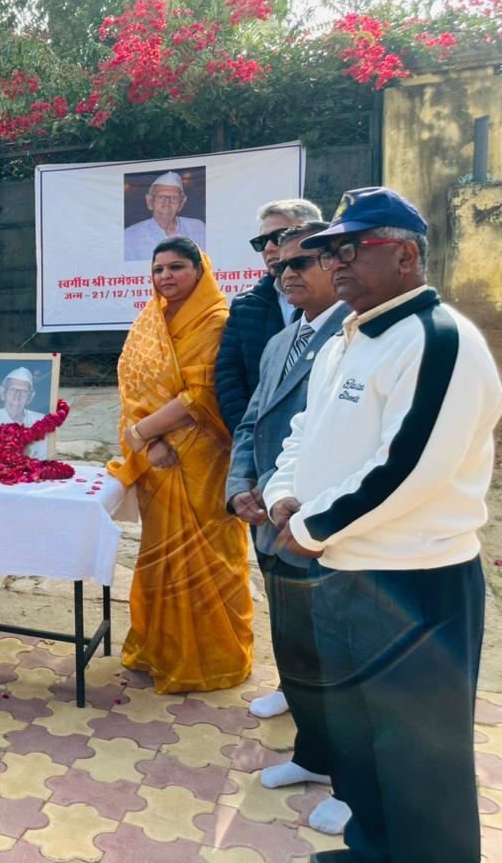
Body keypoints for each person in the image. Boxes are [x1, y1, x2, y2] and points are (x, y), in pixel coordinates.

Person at [263, 187, 501, 863]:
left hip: (414, 580)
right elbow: (304, 434)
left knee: (421, 756)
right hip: (344, 571)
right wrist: (284, 494)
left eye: (351, 248)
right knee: (360, 739)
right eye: (329, 250)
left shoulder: (438, 338)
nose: (335, 261)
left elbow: (411, 465)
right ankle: (371, 851)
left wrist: (312, 526)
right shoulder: (346, 339)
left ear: (405, 256)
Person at [224, 222, 352, 835]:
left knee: (337, 655)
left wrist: (283, 496)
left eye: (302, 262)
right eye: (279, 267)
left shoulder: (355, 335)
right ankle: (313, 755)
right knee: (294, 643)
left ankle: (353, 778)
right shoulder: (282, 341)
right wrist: (239, 488)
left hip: (320, 522)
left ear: (335, 264)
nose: (286, 273)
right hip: (267, 518)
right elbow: (251, 422)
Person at [109, 237, 253, 694]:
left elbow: (201, 396)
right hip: (158, 461)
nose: (165, 276)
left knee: (209, 558)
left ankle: (213, 658)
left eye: (176, 267)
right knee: (160, 556)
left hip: (202, 459)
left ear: (199, 270)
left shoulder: (215, 321)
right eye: (158, 269)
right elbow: (132, 387)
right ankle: (160, 650)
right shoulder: (150, 320)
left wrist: (141, 432)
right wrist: (146, 442)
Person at [216, 199, 323, 436]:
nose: (269, 248)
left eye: (279, 236)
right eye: (262, 241)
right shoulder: (246, 305)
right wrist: (251, 436)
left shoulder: (340, 305)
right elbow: (229, 377)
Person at [123, 172, 206, 260]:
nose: (167, 203)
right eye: (161, 197)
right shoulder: (129, 236)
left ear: (182, 203)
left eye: (174, 198)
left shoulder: (198, 229)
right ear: (149, 201)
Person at [0, 367, 47, 459]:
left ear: (30, 397)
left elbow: (45, 456)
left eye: (24, 391)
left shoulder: (42, 421)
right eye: (13, 389)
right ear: (3, 392)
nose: (17, 395)